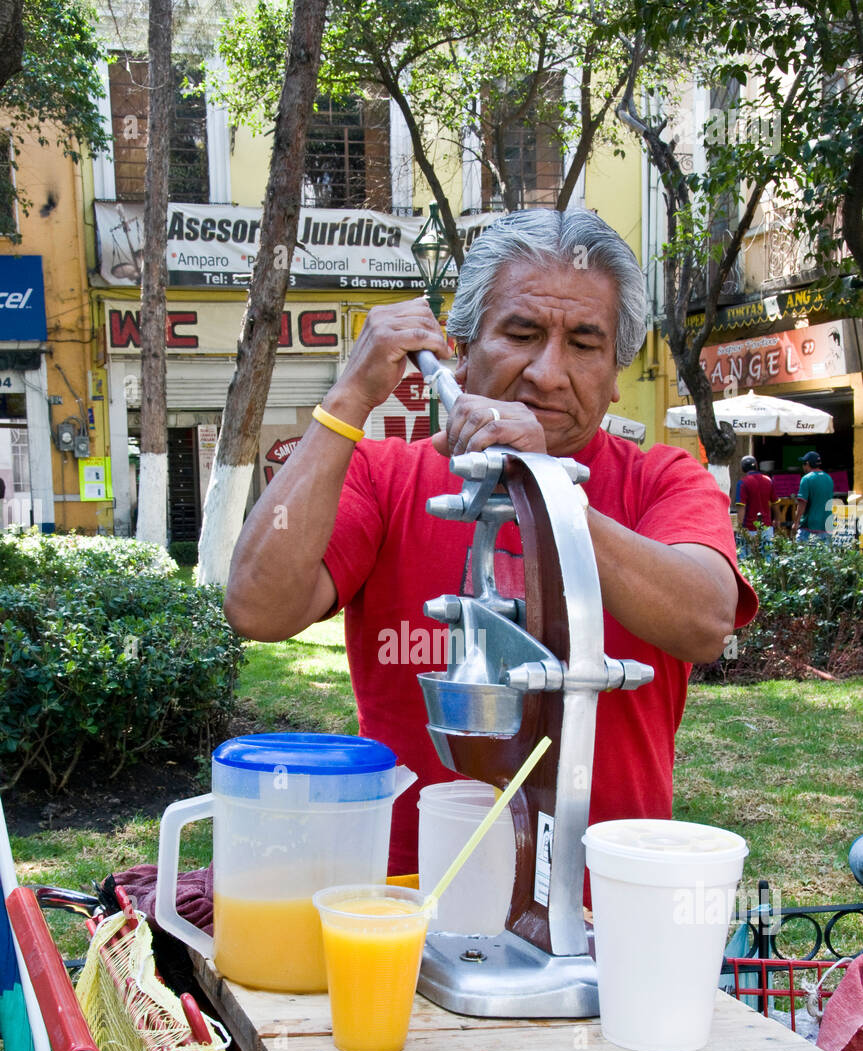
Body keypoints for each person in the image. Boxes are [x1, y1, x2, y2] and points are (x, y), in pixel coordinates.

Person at [225, 209, 757, 878]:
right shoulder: (386, 478)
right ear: (461, 349)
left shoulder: (660, 481)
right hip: (407, 894)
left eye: (584, 343)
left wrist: (545, 486)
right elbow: (258, 608)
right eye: (520, 333)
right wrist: (351, 395)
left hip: (602, 901)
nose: (546, 372)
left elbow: (704, 622)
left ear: (616, 372)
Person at [736, 456, 774, 552]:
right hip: (767, 527)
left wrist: (740, 528)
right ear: (756, 466)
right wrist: (778, 520)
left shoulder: (742, 483)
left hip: (749, 529)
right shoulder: (768, 480)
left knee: (749, 560)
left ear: (742, 468)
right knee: (768, 559)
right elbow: (776, 502)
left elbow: (741, 507)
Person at [794, 451, 834, 542]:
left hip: (809, 527)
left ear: (807, 464)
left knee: (803, 554)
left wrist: (796, 522)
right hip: (826, 525)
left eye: (803, 464)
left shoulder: (806, 479)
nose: (803, 467)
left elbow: (802, 504)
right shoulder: (828, 478)